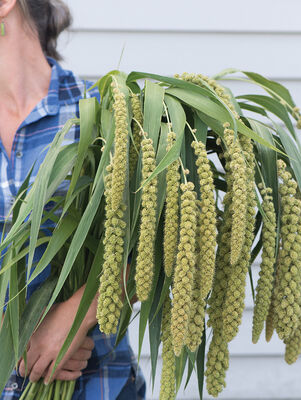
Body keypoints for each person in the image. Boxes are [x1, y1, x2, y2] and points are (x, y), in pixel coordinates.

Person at [0, 1, 146, 399]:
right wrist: (17, 339)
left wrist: (75, 315)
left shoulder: (101, 117)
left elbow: (152, 246)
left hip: (101, 384)